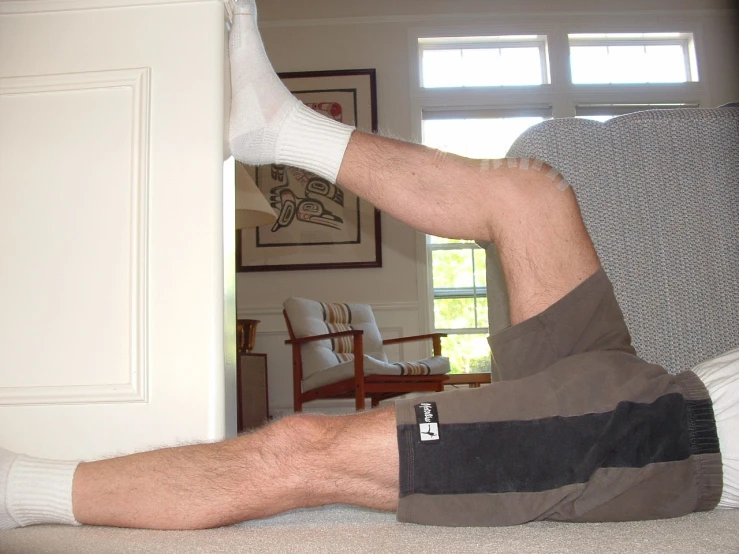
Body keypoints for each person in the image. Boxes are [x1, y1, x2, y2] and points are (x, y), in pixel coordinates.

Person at [1, 0, 737, 531]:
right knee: (529, 193)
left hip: (670, 444)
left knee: (304, 448)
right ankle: (280, 127)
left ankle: (17, 493)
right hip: (661, 384)